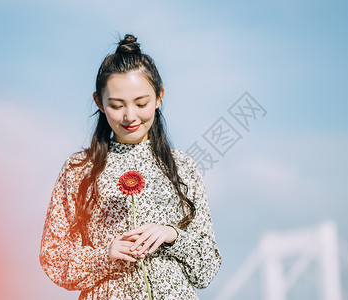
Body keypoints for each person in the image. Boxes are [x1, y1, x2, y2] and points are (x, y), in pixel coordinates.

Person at [39, 34, 221, 299]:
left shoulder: (183, 166)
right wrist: (105, 255)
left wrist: (172, 236)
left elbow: (208, 268)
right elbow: (53, 259)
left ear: (159, 97)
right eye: (116, 105)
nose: (130, 116)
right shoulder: (78, 169)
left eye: (141, 103)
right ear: (99, 102)